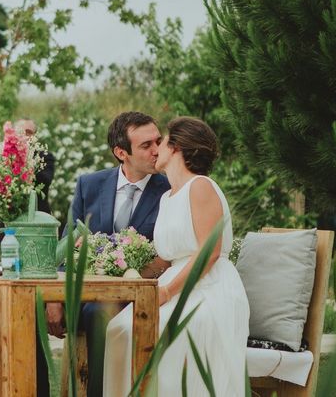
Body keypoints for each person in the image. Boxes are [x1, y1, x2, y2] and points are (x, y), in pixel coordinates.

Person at [102, 116, 249, 396]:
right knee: (118, 328)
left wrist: (167, 292)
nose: (157, 149)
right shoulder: (167, 197)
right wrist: (115, 268)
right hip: (173, 282)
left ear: (178, 148)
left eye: (163, 141)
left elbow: (210, 252)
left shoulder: (201, 186)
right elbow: (165, 259)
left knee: (157, 334)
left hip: (207, 289)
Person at [42, 111, 171, 397]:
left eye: (158, 141)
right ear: (121, 152)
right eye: (146, 145)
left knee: (102, 313)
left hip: (136, 299)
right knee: (30, 309)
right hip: (82, 294)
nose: (157, 150)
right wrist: (54, 297)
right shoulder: (89, 185)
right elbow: (67, 247)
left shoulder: (169, 190)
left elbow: (167, 256)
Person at [13, 118, 56, 213]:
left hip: (38, 215)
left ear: (35, 136)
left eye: (29, 132)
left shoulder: (45, 157)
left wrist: (26, 160)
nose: (25, 136)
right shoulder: (5, 156)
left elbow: (45, 180)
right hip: (9, 217)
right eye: (21, 132)